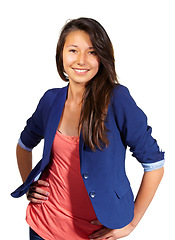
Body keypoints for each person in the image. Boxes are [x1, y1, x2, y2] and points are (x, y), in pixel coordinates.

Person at [11, 17, 165, 240]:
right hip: (43, 225)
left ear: (102, 58)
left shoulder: (117, 100)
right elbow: (24, 145)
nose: (81, 60)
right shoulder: (50, 100)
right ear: (61, 55)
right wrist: (30, 184)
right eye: (73, 50)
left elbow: (154, 165)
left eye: (92, 52)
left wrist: (131, 224)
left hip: (94, 233)